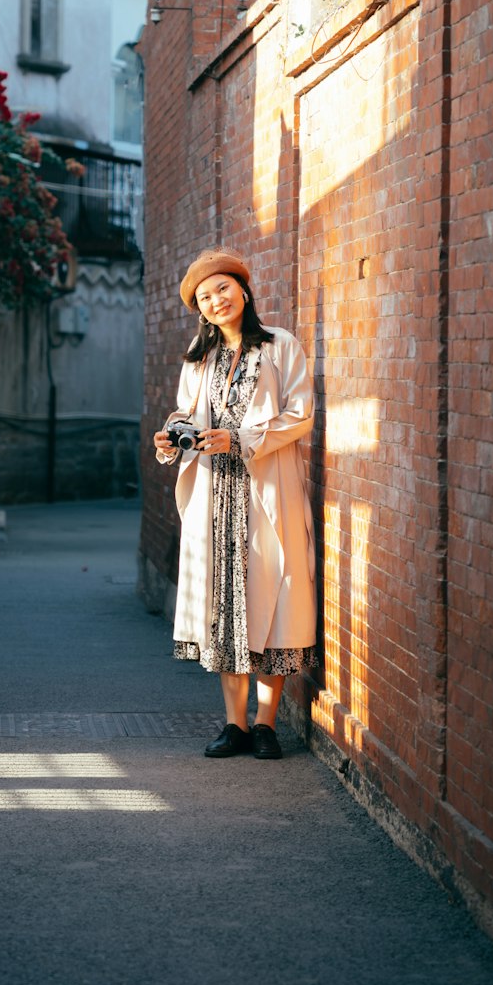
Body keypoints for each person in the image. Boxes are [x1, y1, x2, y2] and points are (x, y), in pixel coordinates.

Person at [153, 247, 317, 760]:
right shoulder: (197, 359)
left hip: (266, 490)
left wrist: (240, 437)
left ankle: (266, 724)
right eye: (205, 296)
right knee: (224, 606)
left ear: (243, 291)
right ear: (200, 310)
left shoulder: (280, 346)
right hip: (214, 497)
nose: (216, 299)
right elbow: (185, 413)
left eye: (223, 288)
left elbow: (301, 414)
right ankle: (234, 725)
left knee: (273, 602)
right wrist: (171, 435)